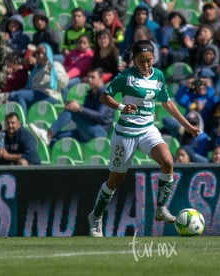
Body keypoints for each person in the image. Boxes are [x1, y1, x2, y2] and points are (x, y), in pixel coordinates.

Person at [87, 40, 200, 237]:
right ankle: (96, 216)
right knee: (115, 180)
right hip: (125, 133)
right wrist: (122, 107)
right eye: (141, 61)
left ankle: (160, 209)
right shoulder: (126, 77)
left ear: (153, 58)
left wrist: (187, 125)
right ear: (134, 60)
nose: (146, 65)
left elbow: (167, 102)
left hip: (148, 129)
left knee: (167, 161)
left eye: (148, 60)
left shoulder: (158, 76)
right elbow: (105, 96)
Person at [29, 68, 115, 146]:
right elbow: (85, 114)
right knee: (55, 138)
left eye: (93, 77)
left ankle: (48, 133)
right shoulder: (90, 93)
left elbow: (100, 116)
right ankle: (49, 137)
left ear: (101, 79)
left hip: (99, 132)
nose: (89, 79)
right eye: (88, 77)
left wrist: (79, 108)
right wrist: (78, 107)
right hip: (86, 129)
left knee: (72, 110)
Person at [8, 43, 62, 116]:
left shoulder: (54, 65)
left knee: (19, 95)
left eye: (43, 53)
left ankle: (22, 121)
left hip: (48, 95)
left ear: (48, 53)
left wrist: (54, 73)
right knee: (12, 95)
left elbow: (64, 82)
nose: (40, 55)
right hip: (37, 94)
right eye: (38, 53)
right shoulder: (37, 68)